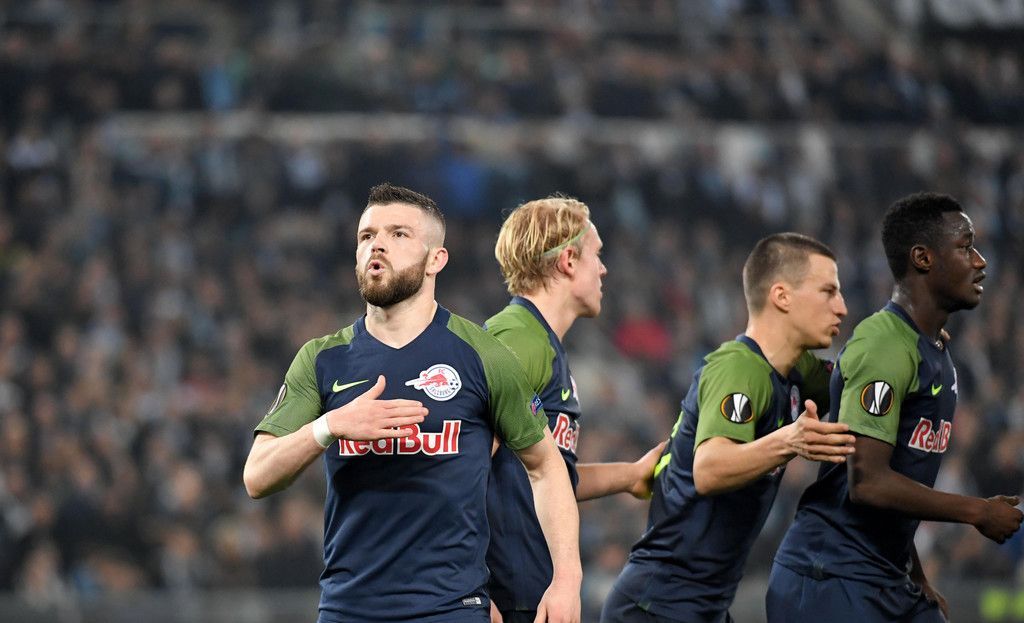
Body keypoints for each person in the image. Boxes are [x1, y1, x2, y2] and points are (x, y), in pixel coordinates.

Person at [242, 183, 582, 623]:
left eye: (398, 234)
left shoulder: (484, 355)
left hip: (451, 609)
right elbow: (257, 476)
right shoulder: (323, 358)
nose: (377, 244)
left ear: (436, 259)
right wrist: (329, 426)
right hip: (348, 609)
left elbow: (546, 465)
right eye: (367, 236)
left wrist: (566, 580)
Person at [766, 193, 1023, 622]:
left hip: (883, 576)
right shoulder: (884, 344)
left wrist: (914, 572)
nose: (980, 261)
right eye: (965, 247)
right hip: (828, 576)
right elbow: (868, 483)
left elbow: (901, 481)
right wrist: (977, 511)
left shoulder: (935, 352)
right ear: (923, 258)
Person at [601, 232, 857, 623]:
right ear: (782, 296)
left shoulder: (795, 371)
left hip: (702, 606)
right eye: (828, 291)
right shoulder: (738, 367)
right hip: (657, 606)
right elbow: (709, 470)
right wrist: (789, 440)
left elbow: (859, 378)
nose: (841, 307)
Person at [484, 196, 666, 623]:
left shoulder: (542, 341)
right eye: (596, 255)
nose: (603, 269)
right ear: (568, 261)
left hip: (528, 590)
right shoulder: (518, 338)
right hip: (503, 594)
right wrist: (469, 585)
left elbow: (544, 475)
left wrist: (630, 475)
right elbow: (459, 468)